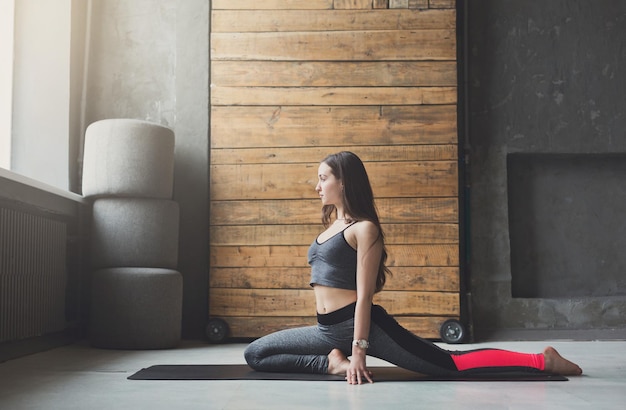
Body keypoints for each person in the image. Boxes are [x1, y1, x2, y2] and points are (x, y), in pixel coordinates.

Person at [244, 151, 582, 384]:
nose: (317, 186)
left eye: (323, 178)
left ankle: (542, 360)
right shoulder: (329, 229)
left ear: (343, 181)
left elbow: (364, 297)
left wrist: (359, 351)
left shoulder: (364, 229)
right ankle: (331, 364)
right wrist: (341, 357)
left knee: (449, 364)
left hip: (365, 328)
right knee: (257, 353)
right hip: (327, 331)